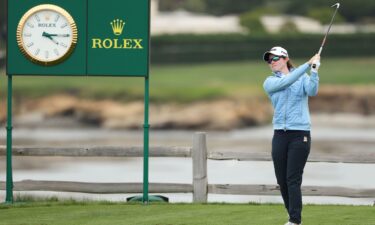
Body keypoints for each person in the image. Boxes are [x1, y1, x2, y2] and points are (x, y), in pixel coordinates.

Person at [262, 46, 320, 225]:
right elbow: (286, 82)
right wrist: (307, 64)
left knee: (292, 179)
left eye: (275, 58)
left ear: (285, 58)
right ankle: (292, 217)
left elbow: (312, 91)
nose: (271, 62)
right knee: (282, 180)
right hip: (280, 134)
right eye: (269, 60)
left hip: (300, 134)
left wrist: (314, 70)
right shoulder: (270, 82)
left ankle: (295, 220)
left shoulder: (302, 77)